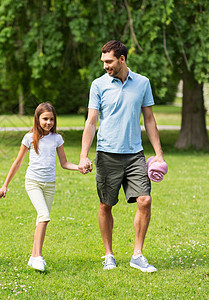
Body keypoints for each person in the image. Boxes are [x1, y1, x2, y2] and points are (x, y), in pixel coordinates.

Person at [78, 40, 165, 272]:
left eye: (109, 61)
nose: (105, 65)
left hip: (135, 154)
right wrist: (84, 155)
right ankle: (109, 254)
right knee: (106, 204)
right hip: (107, 154)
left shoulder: (143, 83)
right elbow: (91, 121)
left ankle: (137, 255)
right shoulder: (98, 85)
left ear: (122, 59)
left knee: (144, 200)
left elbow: (149, 119)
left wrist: (158, 154)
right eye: (103, 61)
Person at [0, 103, 79, 272]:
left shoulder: (57, 138)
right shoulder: (29, 137)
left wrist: (79, 167)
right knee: (44, 216)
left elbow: (64, 163)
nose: (48, 122)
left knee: (41, 219)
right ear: (37, 119)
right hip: (33, 182)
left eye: (51, 119)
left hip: (49, 185)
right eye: (45, 119)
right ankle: (38, 257)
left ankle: (33, 257)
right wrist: (5, 184)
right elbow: (18, 162)